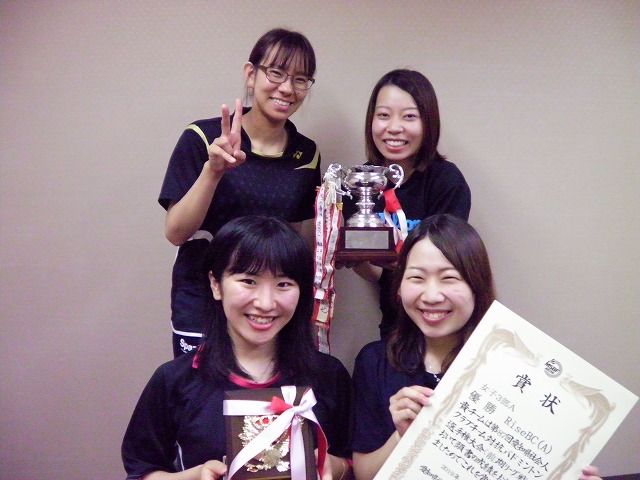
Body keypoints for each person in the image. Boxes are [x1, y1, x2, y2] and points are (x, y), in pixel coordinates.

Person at [351, 214, 602, 480]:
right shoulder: (375, 361)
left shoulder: (521, 369)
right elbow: (364, 474)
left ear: (476, 285)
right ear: (399, 286)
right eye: (417, 277)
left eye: (449, 278)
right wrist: (403, 435)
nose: (432, 296)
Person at [122, 216, 352, 480]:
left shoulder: (329, 374)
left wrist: (334, 466)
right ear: (216, 284)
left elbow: (353, 461)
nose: (265, 303)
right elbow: (141, 472)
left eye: (283, 284)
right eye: (248, 281)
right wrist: (196, 476)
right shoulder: (175, 380)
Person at [159, 28, 321, 357]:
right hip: (203, 300)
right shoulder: (202, 138)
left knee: (266, 389)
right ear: (251, 74)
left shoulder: (307, 153)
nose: (287, 88)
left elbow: (295, 240)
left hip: (268, 306)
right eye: (276, 73)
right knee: (202, 388)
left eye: (300, 79)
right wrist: (214, 170)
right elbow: (176, 232)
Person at [342, 69, 471, 340]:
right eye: (383, 115)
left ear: (428, 123)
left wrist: (399, 259)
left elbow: (446, 265)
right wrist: (355, 257)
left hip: (442, 323)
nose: (394, 127)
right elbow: (376, 275)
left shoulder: (446, 181)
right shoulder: (360, 182)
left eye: (409, 116)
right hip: (393, 325)